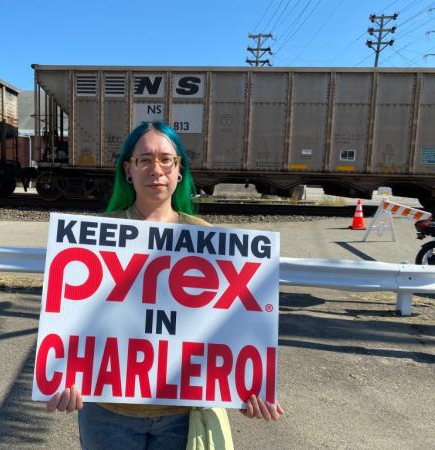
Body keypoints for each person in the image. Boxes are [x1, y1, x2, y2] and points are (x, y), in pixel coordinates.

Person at [46, 121, 284, 449]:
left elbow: (230, 326)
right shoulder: (97, 235)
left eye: (165, 159)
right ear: (128, 170)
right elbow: (73, 318)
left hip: (182, 416)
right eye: (144, 160)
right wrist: (63, 376)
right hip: (108, 414)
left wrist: (246, 388)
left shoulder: (207, 236)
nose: (155, 169)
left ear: (179, 170)